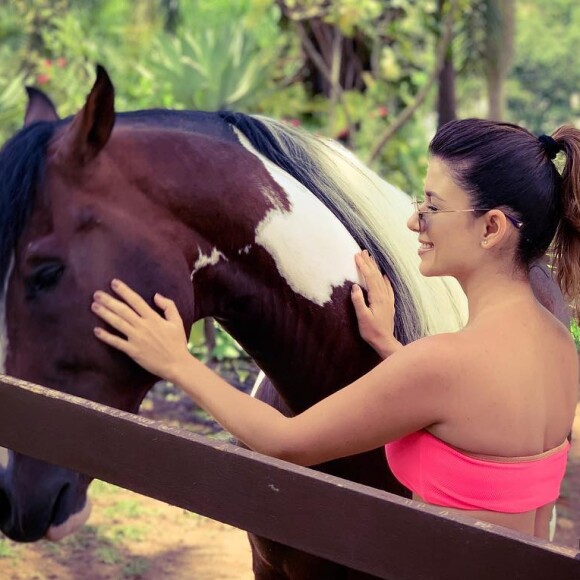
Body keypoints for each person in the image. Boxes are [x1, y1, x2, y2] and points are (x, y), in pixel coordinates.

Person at [91, 119, 580, 540]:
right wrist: (390, 346)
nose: (413, 221)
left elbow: (286, 440)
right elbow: (477, 417)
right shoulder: (560, 348)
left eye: (432, 206)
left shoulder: (442, 364)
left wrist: (178, 362)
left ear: (492, 228)